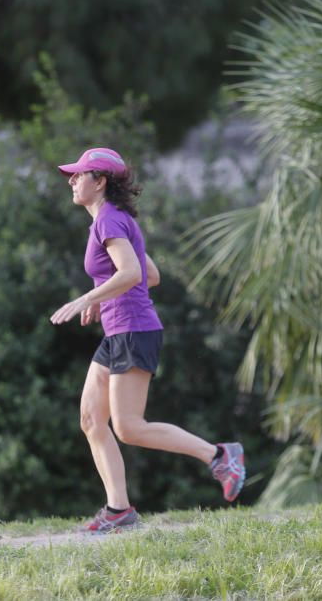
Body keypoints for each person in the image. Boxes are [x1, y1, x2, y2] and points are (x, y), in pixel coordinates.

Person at [50, 147, 245, 535]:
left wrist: (88, 297)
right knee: (91, 419)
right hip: (119, 330)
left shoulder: (108, 220)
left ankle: (219, 456)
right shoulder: (111, 220)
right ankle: (118, 510)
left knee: (129, 427)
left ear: (100, 181)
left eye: (79, 174)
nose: (71, 180)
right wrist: (104, 296)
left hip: (133, 330)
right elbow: (149, 274)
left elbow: (134, 271)